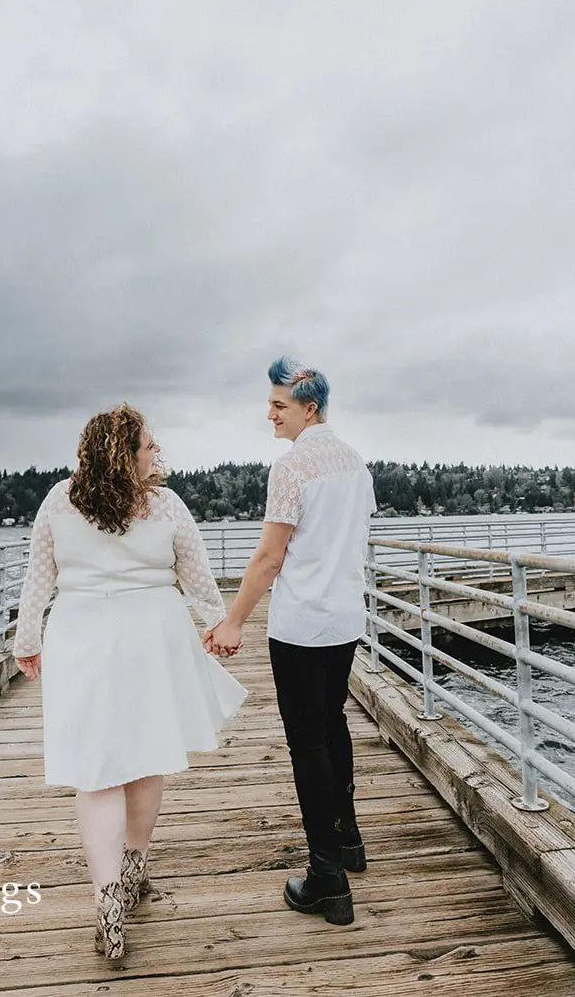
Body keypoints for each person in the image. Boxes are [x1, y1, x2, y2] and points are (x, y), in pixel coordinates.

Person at [12, 403, 248, 960]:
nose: (158, 454)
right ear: (126, 454)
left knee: (95, 771)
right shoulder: (164, 506)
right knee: (145, 756)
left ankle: (108, 898)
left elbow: (38, 579)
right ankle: (134, 867)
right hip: (152, 638)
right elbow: (196, 576)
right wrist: (216, 623)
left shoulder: (59, 499)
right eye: (149, 446)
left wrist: (28, 640)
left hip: (81, 637)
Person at [204, 357, 376, 926]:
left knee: (308, 742)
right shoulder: (355, 463)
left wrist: (233, 622)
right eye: (270, 403)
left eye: (279, 405)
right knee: (333, 723)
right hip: (346, 619)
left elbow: (269, 558)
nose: (270, 414)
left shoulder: (292, 468)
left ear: (311, 408)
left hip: (302, 625)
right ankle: (348, 839)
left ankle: (326, 875)